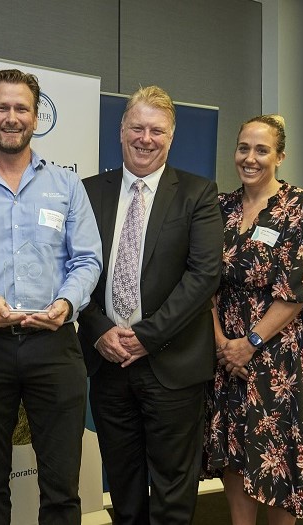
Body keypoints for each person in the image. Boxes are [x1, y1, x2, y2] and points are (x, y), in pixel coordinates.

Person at [0, 69, 102, 525]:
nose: (12, 117)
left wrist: (66, 304)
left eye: (21, 108)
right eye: (2, 108)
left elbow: (87, 260)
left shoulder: (67, 187)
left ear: (35, 116)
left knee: (63, 486)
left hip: (56, 347)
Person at [77, 85, 223, 525]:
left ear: (171, 137)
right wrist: (100, 329)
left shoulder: (198, 194)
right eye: (137, 127)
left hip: (172, 364)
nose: (146, 138)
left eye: (156, 130)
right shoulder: (87, 191)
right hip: (108, 362)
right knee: (122, 485)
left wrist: (145, 337)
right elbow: (72, 270)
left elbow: (203, 277)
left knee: (173, 489)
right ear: (121, 131)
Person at [202, 114, 303, 524]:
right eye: (243, 147)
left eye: (261, 150)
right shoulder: (219, 207)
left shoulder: (302, 208)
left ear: (280, 155)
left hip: (276, 357)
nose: (250, 158)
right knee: (235, 451)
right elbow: (203, 279)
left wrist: (249, 344)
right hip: (225, 354)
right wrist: (222, 342)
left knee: (278, 456)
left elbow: (301, 289)